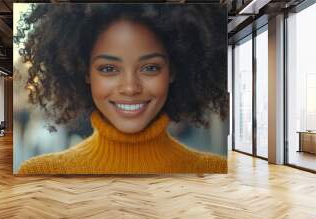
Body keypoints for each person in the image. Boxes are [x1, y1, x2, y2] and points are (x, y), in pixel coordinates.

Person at [15, 3, 228, 174]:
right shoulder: (41, 174)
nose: (130, 87)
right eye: (108, 68)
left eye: (150, 67)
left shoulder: (213, 171)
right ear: (86, 73)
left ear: (172, 71)